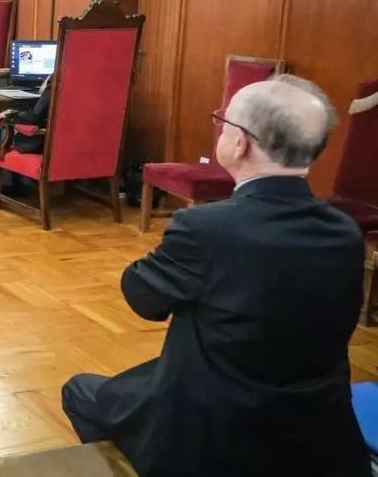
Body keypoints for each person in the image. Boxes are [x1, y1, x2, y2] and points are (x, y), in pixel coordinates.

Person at [61, 74, 367, 477]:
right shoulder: (345, 232)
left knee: (80, 391)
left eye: (222, 121)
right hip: (318, 431)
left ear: (239, 142)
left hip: (215, 430)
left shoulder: (204, 228)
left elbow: (144, 299)